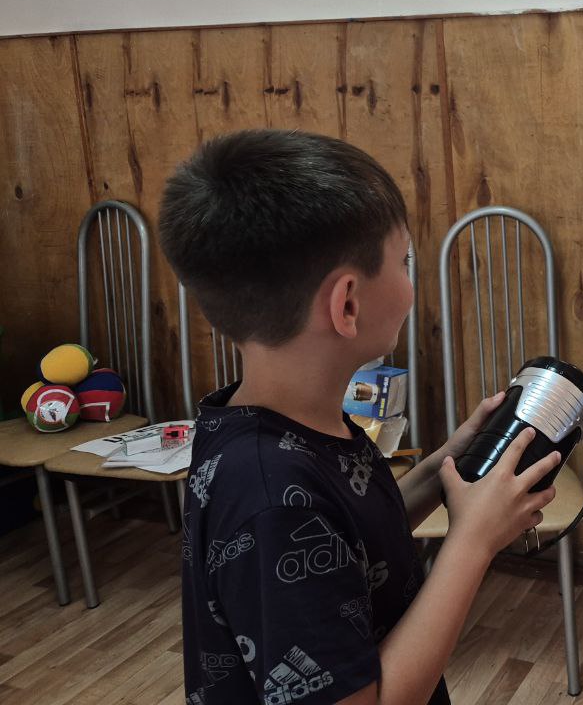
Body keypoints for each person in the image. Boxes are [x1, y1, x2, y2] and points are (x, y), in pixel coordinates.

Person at [160, 129, 557, 705]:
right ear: (347, 304)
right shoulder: (271, 498)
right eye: (404, 261)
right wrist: (473, 543)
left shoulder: (293, 420)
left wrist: (445, 465)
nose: (410, 281)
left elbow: (357, 533)